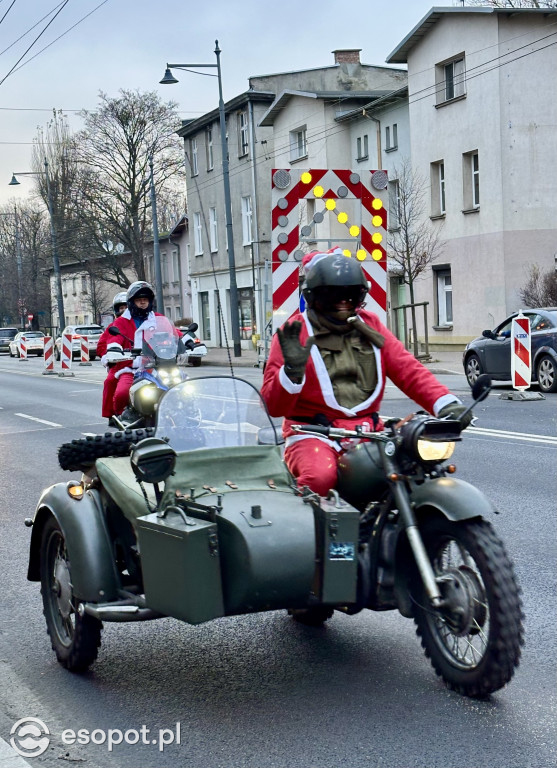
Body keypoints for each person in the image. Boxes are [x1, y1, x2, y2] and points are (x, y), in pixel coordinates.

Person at [261, 247, 472, 497]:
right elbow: (274, 407)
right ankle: (311, 533)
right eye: (333, 295)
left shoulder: (369, 325)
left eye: (351, 296)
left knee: (411, 471)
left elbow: (408, 369)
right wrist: (292, 372)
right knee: (319, 478)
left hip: (367, 433)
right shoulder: (293, 332)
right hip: (313, 435)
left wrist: (445, 404)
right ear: (314, 297)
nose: (343, 303)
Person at [100, 281, 168, 420]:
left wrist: (190, 342)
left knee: (182, 387)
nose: (143, 303)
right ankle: (121, 416)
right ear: (132, 301)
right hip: (132, 368)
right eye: (139, 300)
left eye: (145, 299)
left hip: (157, 366)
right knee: (122, 392)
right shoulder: (121, 322)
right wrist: (114, 350)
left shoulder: (159, 318)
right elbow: (114, 339)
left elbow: (174, 333)